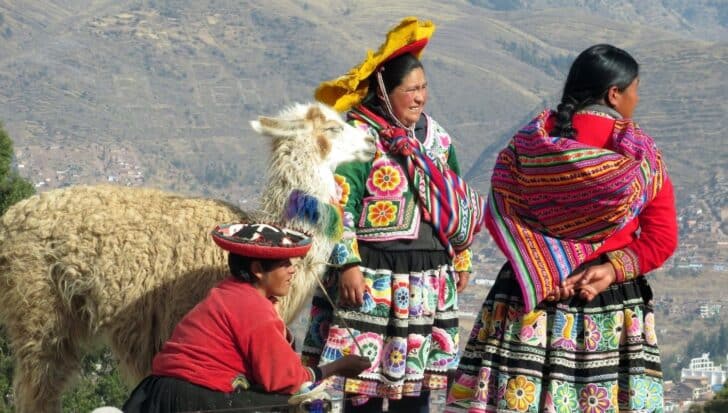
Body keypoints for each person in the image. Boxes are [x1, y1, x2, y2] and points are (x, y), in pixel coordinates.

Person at [447, 44, 678, 412]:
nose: (637, 100)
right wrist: (611, 269)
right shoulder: (641, 155)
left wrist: (541, 268)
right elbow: (662, 238)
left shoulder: (527, 144)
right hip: (608, 304)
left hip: (527, 298)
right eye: (635, 90)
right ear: (614, 94)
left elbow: (498, 213)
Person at [302, 17, 485, 413]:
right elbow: (337, 203)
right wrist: (346, 263)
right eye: (411, 90)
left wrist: (462, 256)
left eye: (424, 88)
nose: (421, 98)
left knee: (415, 391)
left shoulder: (437, 139)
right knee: (364, 385)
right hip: (372, 276)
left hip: (428, 278)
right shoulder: (358, 137)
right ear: (386, 93)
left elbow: (451, 199)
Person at [123, 222, 371, 413]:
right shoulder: (252, 307)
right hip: (191, 397)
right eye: (284, 264)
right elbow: (284, 380)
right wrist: (337, 367)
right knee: (304, 403)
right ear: (257, 271)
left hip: (158, 392)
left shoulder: (228, 292)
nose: (292, 269)